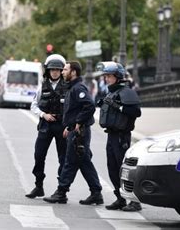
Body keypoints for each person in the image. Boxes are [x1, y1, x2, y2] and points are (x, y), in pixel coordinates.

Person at [43, 61, 103, 205]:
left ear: (74, 72)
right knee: (83, 161)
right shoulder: (72, 88)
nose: (63, 72)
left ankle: (61, 192)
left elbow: (89, 106)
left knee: (70, 161)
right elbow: (74, 111)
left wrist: (78, 122)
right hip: (75, 130)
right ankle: (96, 192)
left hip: (80, 132)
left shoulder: (78, 88)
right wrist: (69, 127)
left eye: (65, 69)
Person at [96, 61, 142, 212]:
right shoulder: (111, 92)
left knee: (124, 170)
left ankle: (134, 201)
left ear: (118, 77)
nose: (106, 79)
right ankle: (120, 198)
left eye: (109, 76)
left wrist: (118, 106)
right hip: (112, 135)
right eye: (106, 76)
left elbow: (136, 112)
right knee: (112, 168)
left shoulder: (127, 92)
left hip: (122, 136)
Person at [25, 54, 67, 199]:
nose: (55, 72)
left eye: (57, 69)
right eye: (52, 69)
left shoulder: (67, 87)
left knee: (63, 158)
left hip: (62, 126)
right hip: (45, 125)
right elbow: (33, 105)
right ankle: (38, 186)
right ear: (48, 71)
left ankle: (61, 190)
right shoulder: (42, 86)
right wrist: (44, 115)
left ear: (61, 71)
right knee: (39, 155)